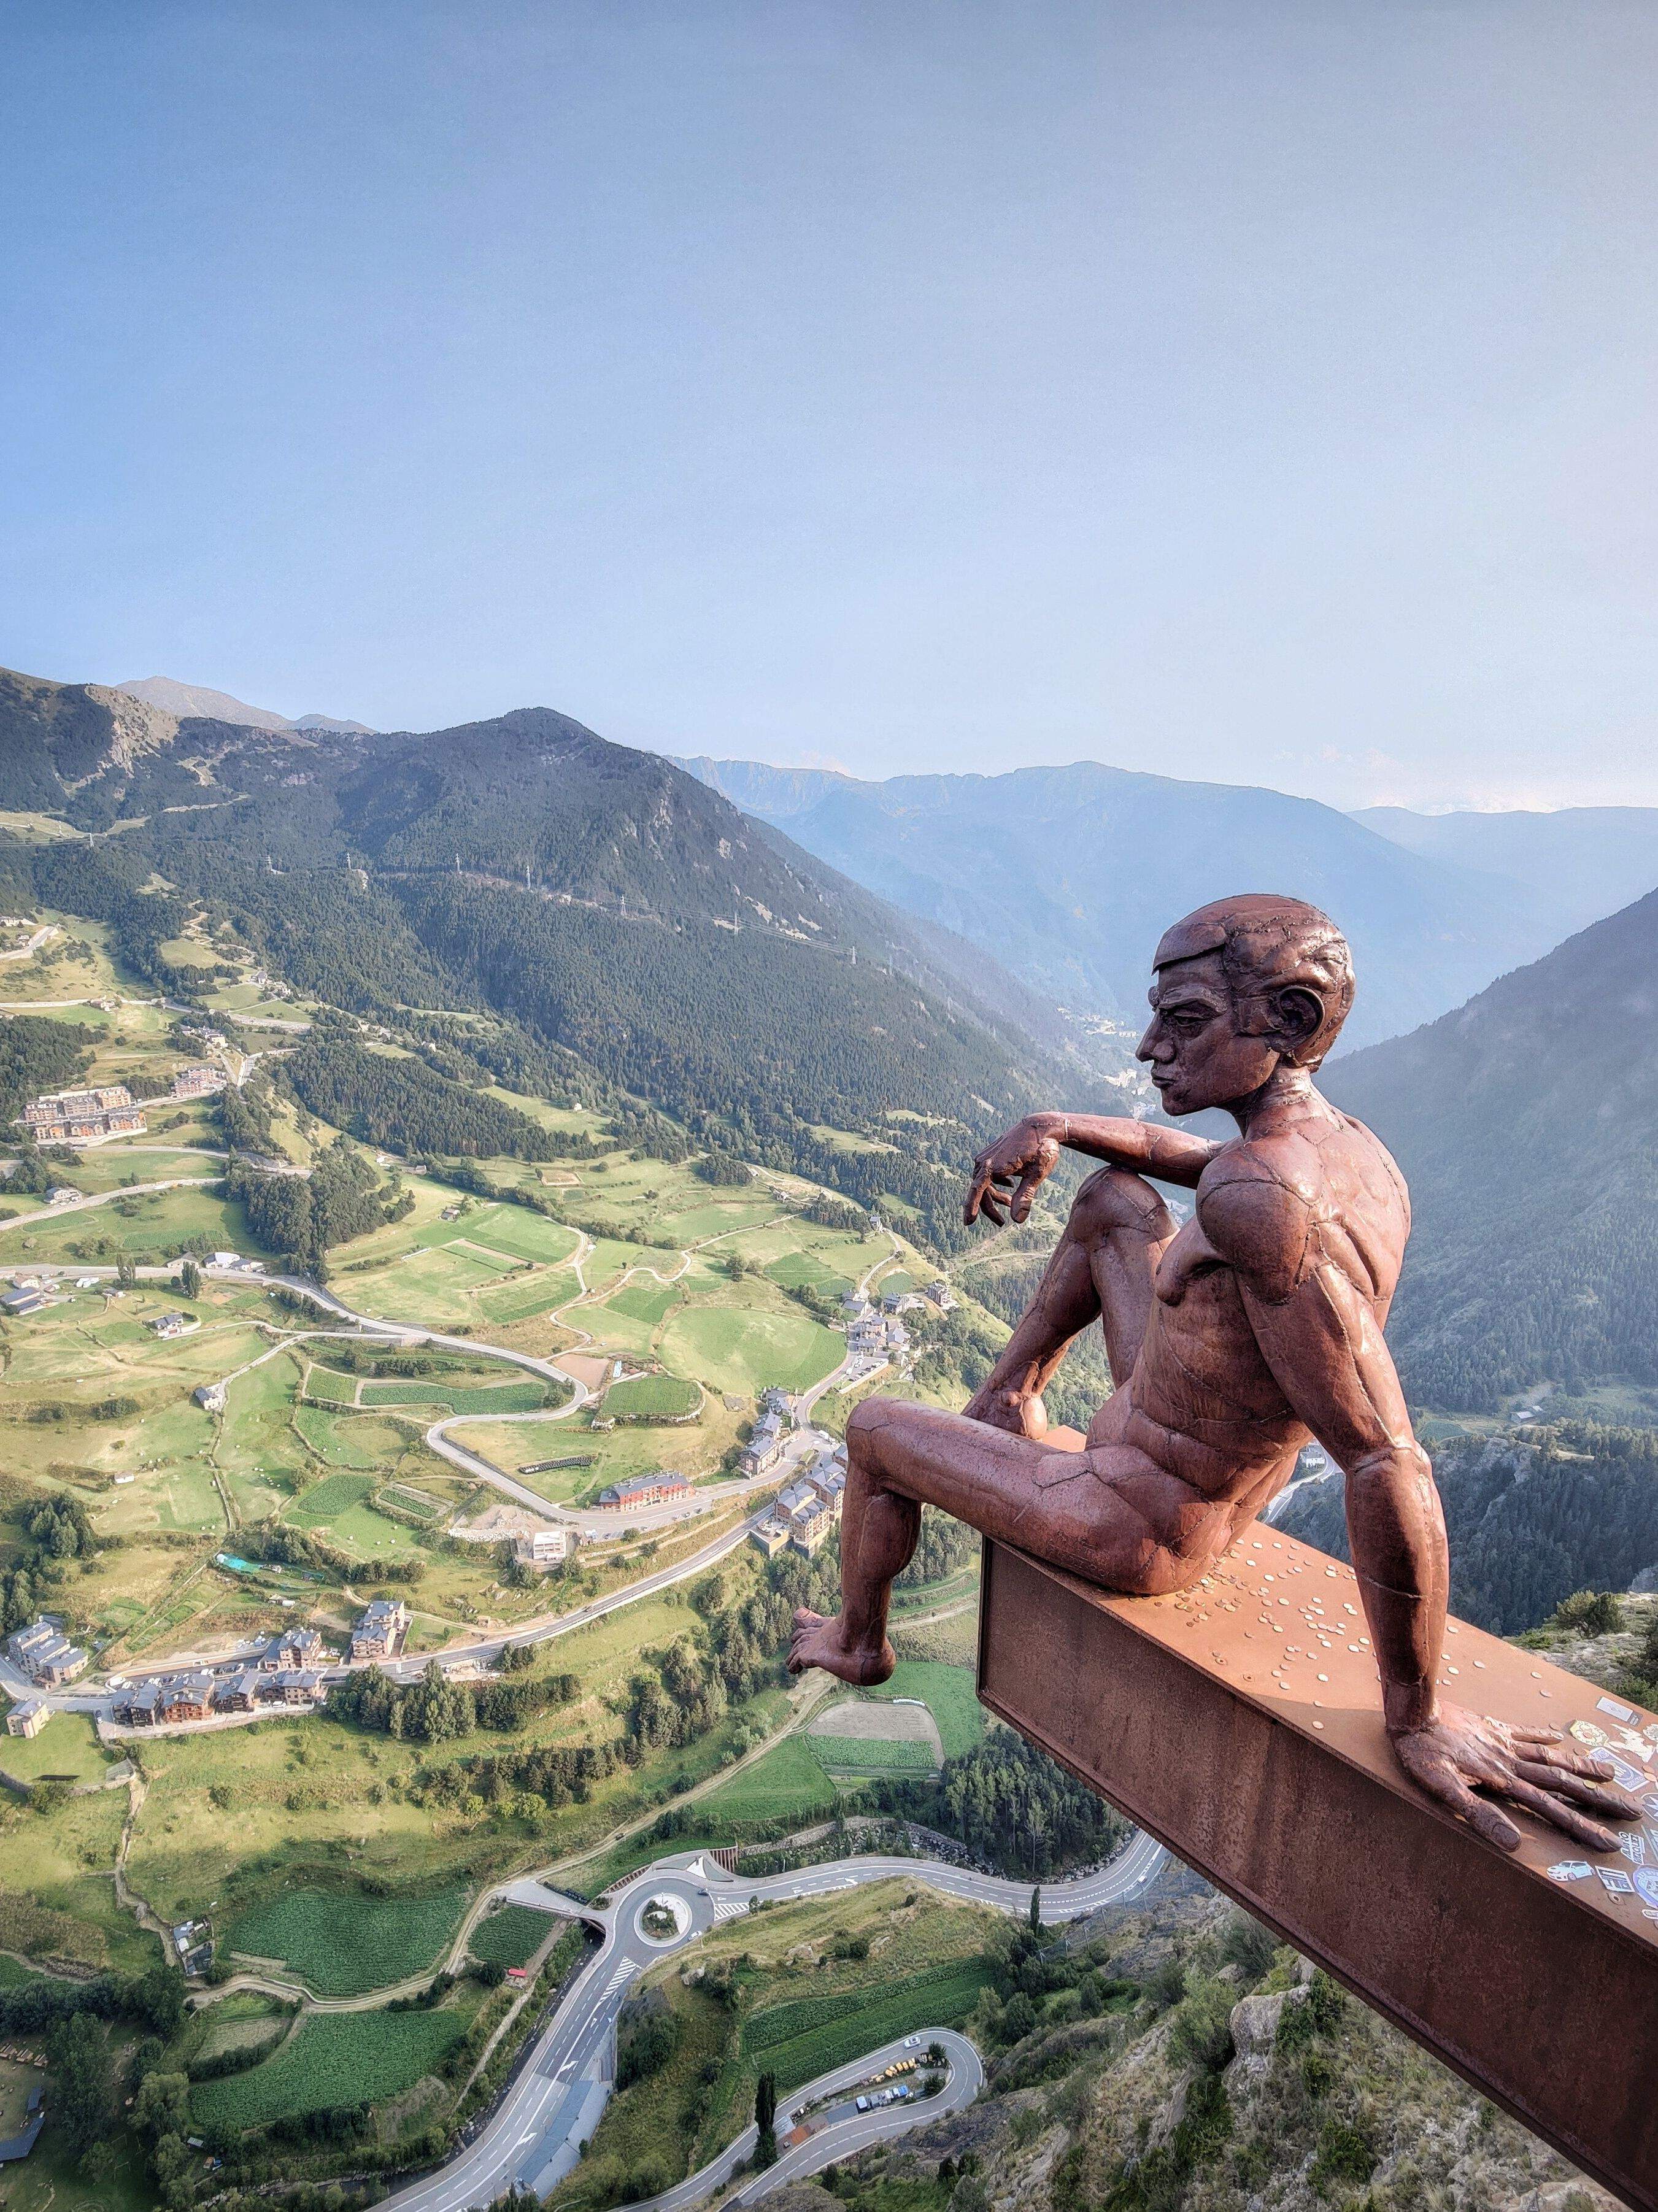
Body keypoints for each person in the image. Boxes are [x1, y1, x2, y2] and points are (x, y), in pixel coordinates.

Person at [789, 893, 1633, 1853]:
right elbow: (1184, 1161)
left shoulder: (1264, 1198)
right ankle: (1005, 1402)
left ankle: (859, 1641)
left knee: (872, 1430)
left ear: (1290, 1019)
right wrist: (1054, 1122)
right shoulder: (1349, 1152)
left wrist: (1415, 1713)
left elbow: (1383, 1460)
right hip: (1167, 1424)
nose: (1152, 1046)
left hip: (1136, 1517)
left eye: (1183, 1020)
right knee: (1113, 1199)